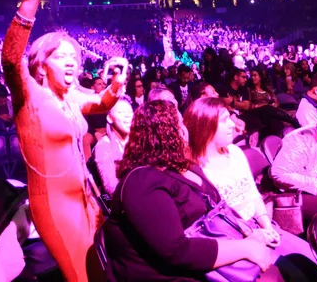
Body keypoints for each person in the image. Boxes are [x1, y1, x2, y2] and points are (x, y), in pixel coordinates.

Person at [2, 0, 128, 282]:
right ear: (42, 66)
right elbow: (12, 59)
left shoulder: (71, 94)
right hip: (55, 207)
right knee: (80, 276)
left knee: (100, 270)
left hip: (87, 198)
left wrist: (118, 82)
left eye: (74, 56)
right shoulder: (30, 96)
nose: (71, 61)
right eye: (61, 56)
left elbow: (102, 104)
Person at [103, 100, 272, 281]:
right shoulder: (141, 182)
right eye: (180, 123)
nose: (185, 130)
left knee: (291, 267)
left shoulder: (182, 167)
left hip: (212, 255)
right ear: (166, 133)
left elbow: (217, 209)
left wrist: (246, 232)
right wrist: (244, 248)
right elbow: (176, 251)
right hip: (170, 274)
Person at [185, 98, 317, 281]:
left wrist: (265, 223)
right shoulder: (196, 171)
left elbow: (252, 193)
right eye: (225, 120)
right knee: (295, 275)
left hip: (257, 226)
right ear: (206, 126)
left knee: (313, 259)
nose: (232, 125)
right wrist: (252, 236)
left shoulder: (235, 152)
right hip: (233, 240)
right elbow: (214, 224)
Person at [93, 98, 134, 196]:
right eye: (121, 112)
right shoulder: (104, 145)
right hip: (123, 199)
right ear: (110, 118)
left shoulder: (139, 141)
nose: (127, 115)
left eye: (130, 112)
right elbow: (111, 186)